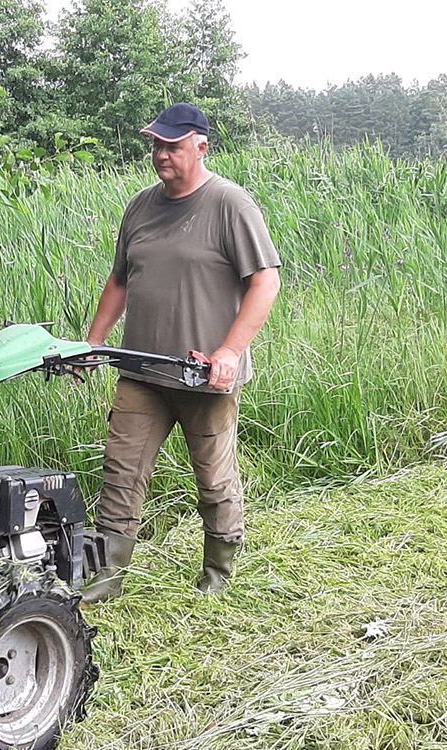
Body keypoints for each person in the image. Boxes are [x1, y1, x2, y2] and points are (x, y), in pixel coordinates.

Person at [80, 103, 281, 603]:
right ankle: (105, 581)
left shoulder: (230, 204)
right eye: (156, 144)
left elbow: (266, 281)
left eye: (172, 145)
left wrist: (230, 351)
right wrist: (93, 342)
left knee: (213, 479)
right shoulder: (140, 206)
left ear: (201, 147)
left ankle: (217, 575)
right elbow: (120, 279)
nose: (161, 154)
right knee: (121, 475)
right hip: (141, 370)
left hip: (204, 376)